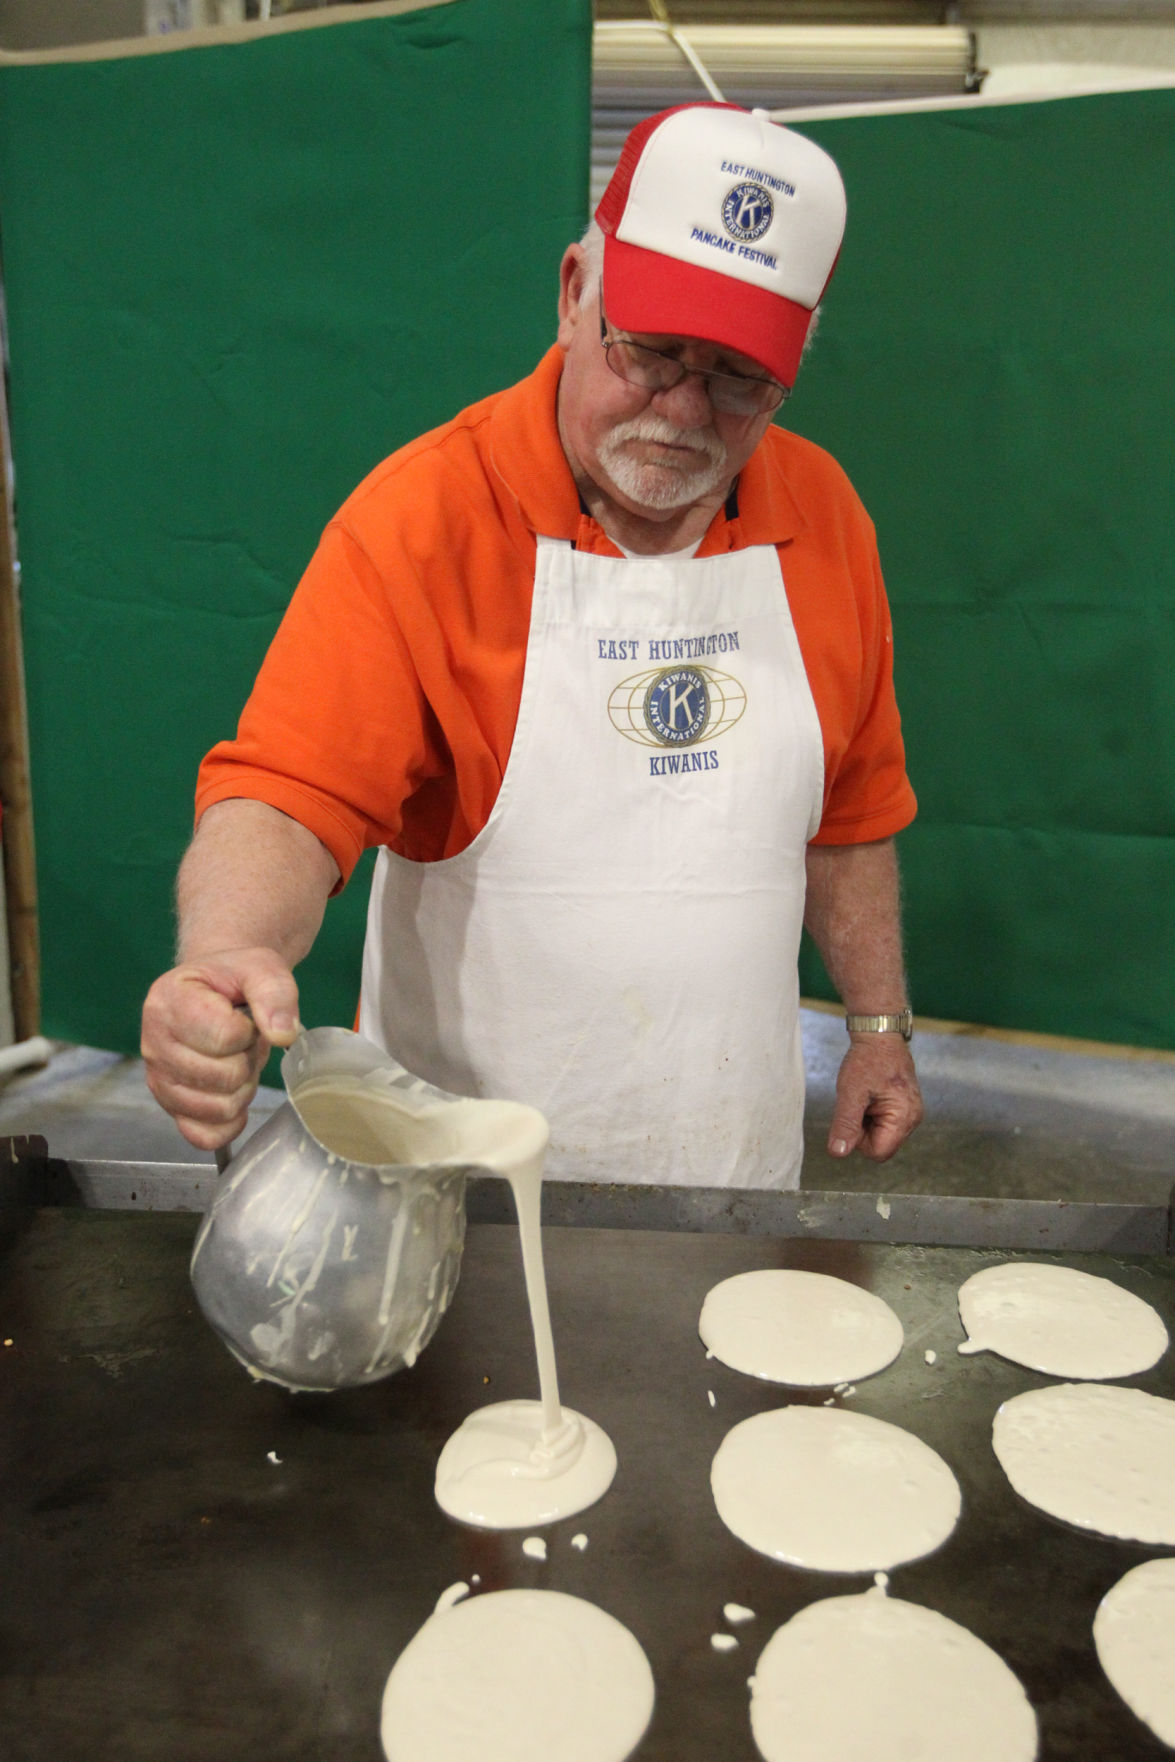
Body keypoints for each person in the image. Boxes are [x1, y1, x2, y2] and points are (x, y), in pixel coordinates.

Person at [141, 101, 923, 1189]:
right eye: (649, 352)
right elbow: (286, 795)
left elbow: (850, 811)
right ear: (572, 295)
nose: (684, 409)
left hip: (728, 1166)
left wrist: (877, 1023)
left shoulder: (823, 516)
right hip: (459, 1175)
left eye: (736, 376)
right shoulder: (423, 522)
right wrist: (228, 951)